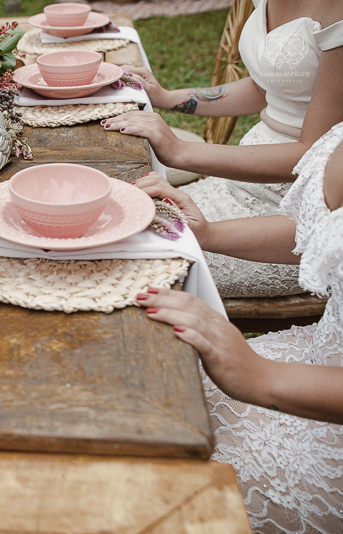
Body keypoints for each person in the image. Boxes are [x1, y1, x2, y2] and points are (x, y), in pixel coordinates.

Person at [131, 119, 343, 533]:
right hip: (316, 355)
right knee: (143, 389)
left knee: (143, 480)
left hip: (325, 416)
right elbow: (325, 233)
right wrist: (208, 233)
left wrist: (261, 377)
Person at [102, 0, 343, 297]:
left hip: (289, 211)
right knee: (115, 221)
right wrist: (167, 97)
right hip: (235, 182)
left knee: (126, 264)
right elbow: (264, 87)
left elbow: (311, 153)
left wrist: (180, 151)